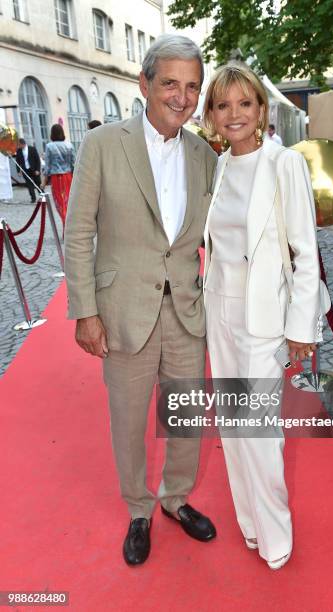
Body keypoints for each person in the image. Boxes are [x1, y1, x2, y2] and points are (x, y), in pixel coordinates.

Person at [64, 34, 218, 567]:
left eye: (192, 86)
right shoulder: (103, 144)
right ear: (144, 83)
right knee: (128, 418)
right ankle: (138, 508)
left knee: (184, 415)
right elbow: (78, 232)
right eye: (171, 83)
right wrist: (85, 311)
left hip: (185, 309)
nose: (182, 96)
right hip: (124, 307)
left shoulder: (204, 154)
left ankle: (176, 498)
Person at [202, 63, 321, 570]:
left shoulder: (283, 164)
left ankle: (276, 537)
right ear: (210, 115)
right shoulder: (222, 164)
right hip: (219, 311)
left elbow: (306, 251)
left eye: (244, 104)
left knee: (259, 430)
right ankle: (250, 524)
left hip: (263, 319)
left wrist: (301, 329)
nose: (235, 115)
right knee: (231, 427)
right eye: (224, 105)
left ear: (261, 109)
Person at [42, 124, 75, 233]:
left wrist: (44, 180)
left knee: (60, 203)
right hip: (68, 176)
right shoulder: (69, 145)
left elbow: (47, 165)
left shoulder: (49, 146)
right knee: (68, 201)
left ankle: (66, 225)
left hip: (56, 178)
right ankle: (69, 225)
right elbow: (73, 163)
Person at [16, 138, 41, 202]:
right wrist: (18, 171)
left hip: (34, 169)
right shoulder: (18, 151)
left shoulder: (32, 149)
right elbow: (17, 162)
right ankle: (33, 198)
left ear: (22, 144)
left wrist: (38, 170)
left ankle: (42, 196)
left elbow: (38, 160)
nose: (18, 146)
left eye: (19, 144)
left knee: (38, 183)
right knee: (29, 185)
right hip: (25, 170)